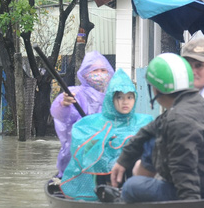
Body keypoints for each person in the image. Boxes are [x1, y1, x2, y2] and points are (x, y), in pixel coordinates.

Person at [110, 53, 204, 203]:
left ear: (155, 89)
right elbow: (148, 131)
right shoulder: (192, 103)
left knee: (131, 187)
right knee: (151, 141)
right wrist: (123, 160)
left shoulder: (179, 121)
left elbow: (185, 173)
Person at [58, 69, 154, 200]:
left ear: (135, 98)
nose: (125, 102)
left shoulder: (145, 121)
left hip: (134, 175)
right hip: (104, 180)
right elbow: (83, 149)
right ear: (111, 99)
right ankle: (105, 191)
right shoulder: (94, 122)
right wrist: (101, 143)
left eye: (129, 97)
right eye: (119, 97)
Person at [50, 51, 114, 178]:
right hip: (76, 159)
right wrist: (64, 104)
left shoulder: (114, 98)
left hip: (106, 161)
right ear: (85, 75)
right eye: (95, 70)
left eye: (103, 70)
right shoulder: (76, 94)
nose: (100, 74)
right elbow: (61, 116)